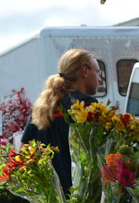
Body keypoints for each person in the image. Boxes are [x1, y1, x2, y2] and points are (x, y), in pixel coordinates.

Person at [21, 48, 101, 191]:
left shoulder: (42, 106)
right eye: (97, 72)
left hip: (50, 195)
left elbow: (23, 151)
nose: (99, 79)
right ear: (85, 71)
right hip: (80, 193)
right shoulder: (87, 105)